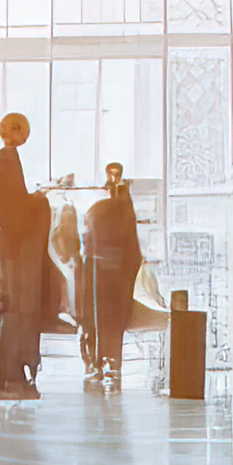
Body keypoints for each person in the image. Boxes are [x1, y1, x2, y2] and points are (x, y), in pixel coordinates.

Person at [0, 111, 50, 394]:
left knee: (14, 308)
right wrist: (37, 200)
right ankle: (11, 372)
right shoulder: (6, 160)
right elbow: (15, 207)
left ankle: (12, 370)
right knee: (16, 308)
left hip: (12, 243)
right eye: (22, 129)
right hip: (16, 245)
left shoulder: (6, 159)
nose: (25, 135)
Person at [80, 159, 143, 390]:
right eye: (111, 174)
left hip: (111, 269)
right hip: (102, 268)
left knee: (108, 320)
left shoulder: (116, 206)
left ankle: (107, 362)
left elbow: (129, 240)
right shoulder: (102, 206)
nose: (113, 179)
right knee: (97, 319)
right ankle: (98, 362)